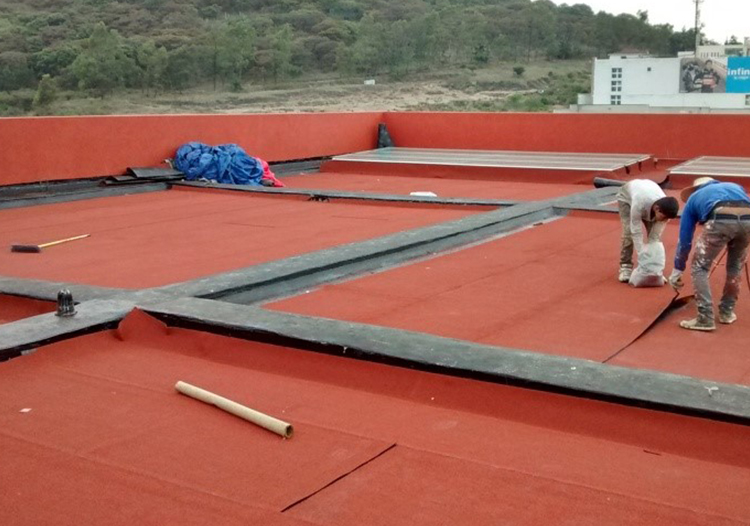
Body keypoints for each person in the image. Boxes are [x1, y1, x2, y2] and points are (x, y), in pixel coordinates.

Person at [668, 177, 750, 331]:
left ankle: (705, 318)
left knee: (700, 267)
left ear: (695, 188)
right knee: (735, 267)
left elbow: (685, 240)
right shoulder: (734, 186)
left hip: (720, 218)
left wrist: (678, 268)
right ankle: (727, 312)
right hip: (748, 219)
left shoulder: (694, 198)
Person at [617, 179, 680, 282]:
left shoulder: (665, 211)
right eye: (663, 217)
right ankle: (625, 266)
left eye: (667, 219)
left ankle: (654, 270)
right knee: (628, 234)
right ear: (657, 209)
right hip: (626, 198)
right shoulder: (639, 203)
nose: (664, 221)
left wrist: (652, 267)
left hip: (648, 191)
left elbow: (654, 237)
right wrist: (642, 256)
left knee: (654, 238)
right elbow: (636, 231)